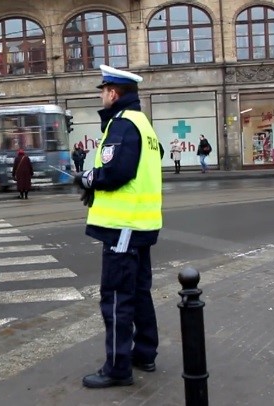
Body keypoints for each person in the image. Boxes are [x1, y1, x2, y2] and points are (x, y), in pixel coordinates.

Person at [75, 64, 162, 389]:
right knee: (138, 291)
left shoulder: (122, 125)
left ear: (113, 93)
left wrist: (88, 178)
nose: (101, 96)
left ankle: (117, 367)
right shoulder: (144, 124)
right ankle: (145, 352)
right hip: (141, 223)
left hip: (123, 226)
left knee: (115, 296)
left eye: (103, 91)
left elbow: (116, 172)